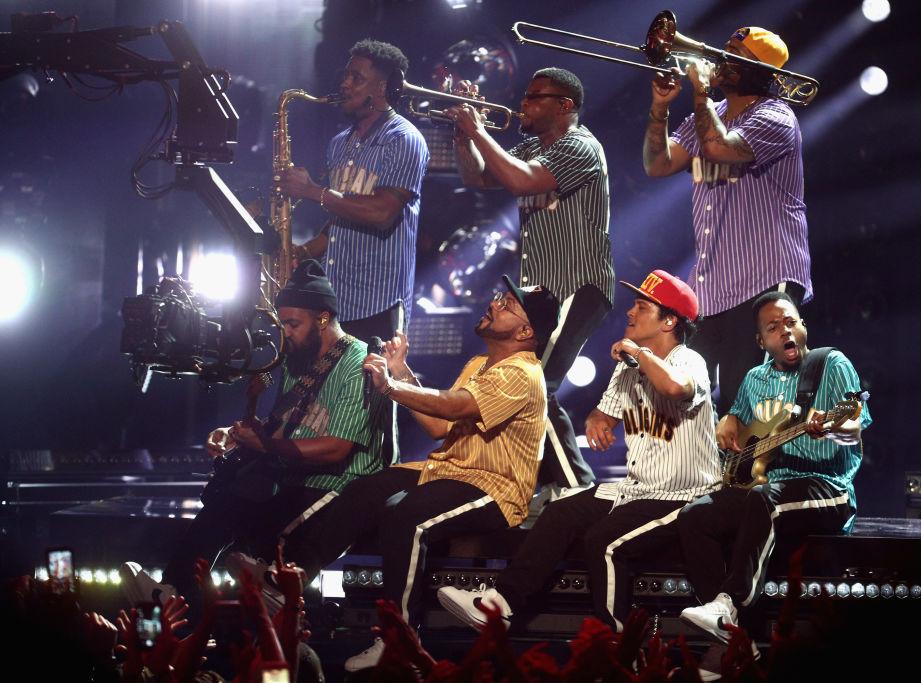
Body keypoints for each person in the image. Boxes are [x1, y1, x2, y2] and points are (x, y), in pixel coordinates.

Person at [265, 275, 559, 672]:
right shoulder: (480, 364)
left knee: (408, 519)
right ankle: (296, 578)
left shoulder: (522, 373)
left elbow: (455, 407)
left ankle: (399, 640)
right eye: (500, 297)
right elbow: (440, 427)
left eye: (508, 305)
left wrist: (389, 387)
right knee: (367, 488)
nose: (495, 304)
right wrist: (401, 373)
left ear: (526, 331)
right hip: (449, 468)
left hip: (494, 486)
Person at [437, 270, 720, 632]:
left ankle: (617, 641)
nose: (630, 313)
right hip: (638, 489)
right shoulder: (628, 366)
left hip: (685, 496)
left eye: (641, 306)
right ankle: (499, 606)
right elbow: (602, 415)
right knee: (560, 512)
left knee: (601, 541)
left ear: (669, 321)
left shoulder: (688, 360)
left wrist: (637, 352)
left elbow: (674, 388)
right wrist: (597, 421)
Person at [119, 260, 391, 615]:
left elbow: (337, 448)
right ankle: (173, 589)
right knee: (226, 500)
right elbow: (286, 426)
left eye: (293, 324)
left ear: (323, 319)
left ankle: (276, 591)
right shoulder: (298, 361)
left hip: (338, 482)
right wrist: (241, 435)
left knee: (260, 531)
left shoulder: (358, 362)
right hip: (295, 472)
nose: (286, 333)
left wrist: (265, 445)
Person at [447, 67, 615, 498]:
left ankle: (579, 489)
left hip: (578, 282)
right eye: (524, 96)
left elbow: (522, 181)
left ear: (565, 107)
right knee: (524, 388)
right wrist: (466, 136)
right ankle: (541, 483)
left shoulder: (579, 145)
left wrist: (479, 129)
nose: (522, 104)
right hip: (542, 291)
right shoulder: (532, 146)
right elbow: (477, 176)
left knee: (538, 386)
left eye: (534, 97)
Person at [674, 291, 871, 644]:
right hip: (765, 490)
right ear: (760, 340)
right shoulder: (754, 379)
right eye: (774, 327)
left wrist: (834, 425)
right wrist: (729, 420)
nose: (785, 331)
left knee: (766, 499)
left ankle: (728, 604)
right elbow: (741, 432)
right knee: (694, 516)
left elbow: (855, 426)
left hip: (827, 488)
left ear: (803, 327)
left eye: (791, 322)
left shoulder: (832, 364)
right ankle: (733, 641)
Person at [643, 27, 811, 411]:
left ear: (760, 71)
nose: (722, 58)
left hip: (763, 277)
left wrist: (700, 91)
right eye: (726, 49)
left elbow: (719, 149)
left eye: (736, 54)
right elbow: (657, 164)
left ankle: (760, 473)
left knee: (750, 399)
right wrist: (660, 108)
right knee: (695, 402)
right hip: (712, 287)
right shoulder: (710, 114)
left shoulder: (776, 116)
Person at [277, 38, 429, 345]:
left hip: (379, 304)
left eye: (356, 78)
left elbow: (382, 212)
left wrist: (313, 191)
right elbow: (342, 216)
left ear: (384, 88)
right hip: (334, 301)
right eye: (346, 76)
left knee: (369, 393)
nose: (345, 84)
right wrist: (305, 251)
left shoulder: (404, 139)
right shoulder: (339, 143)